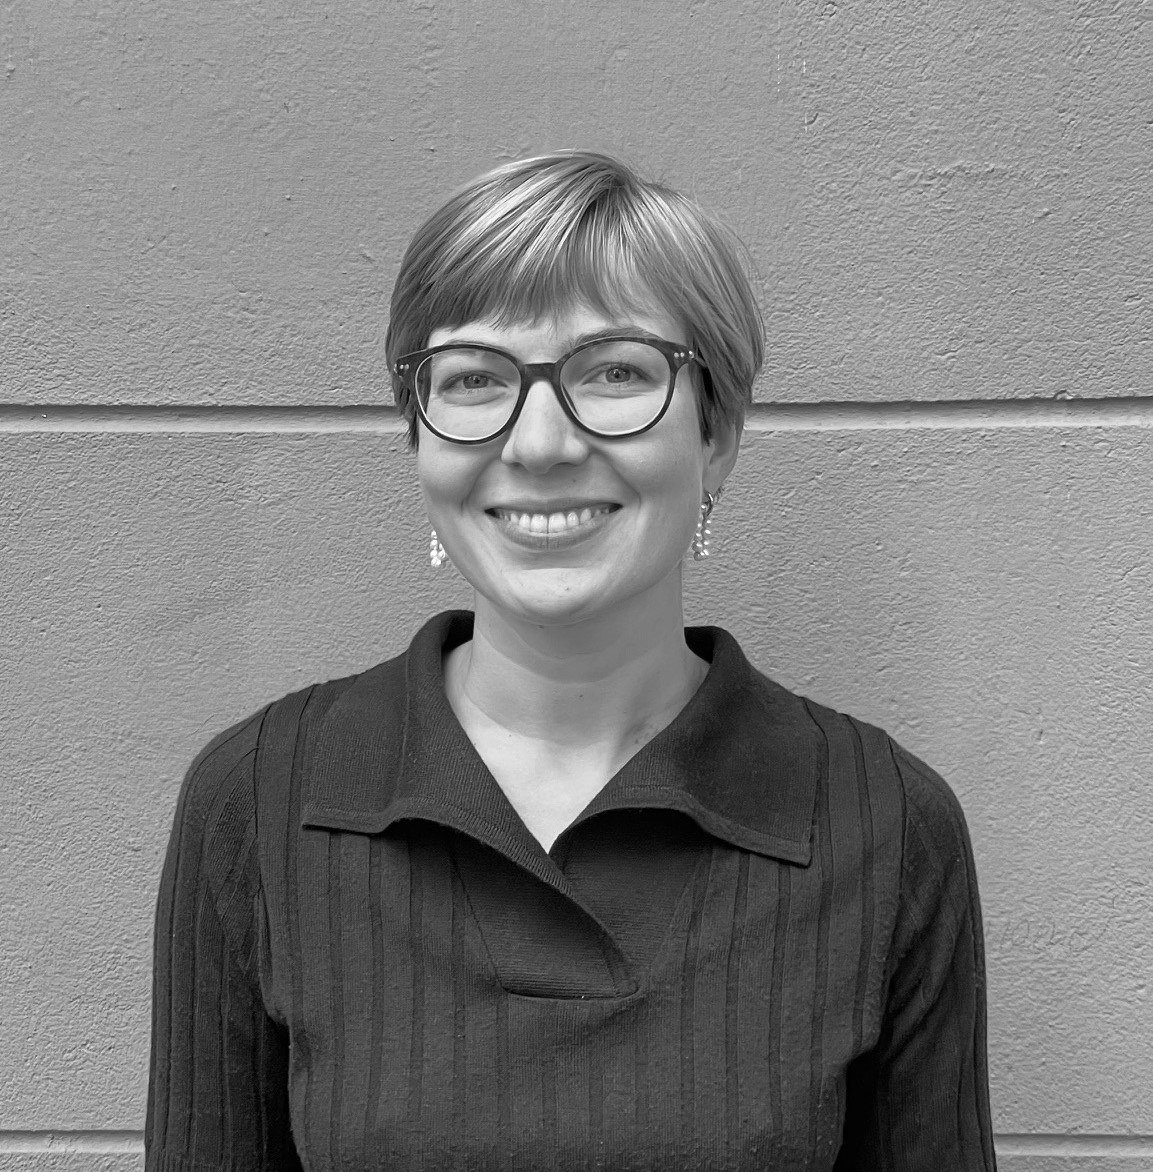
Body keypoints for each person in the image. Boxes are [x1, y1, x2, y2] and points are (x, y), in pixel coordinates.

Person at [146, 150, 996, 1170]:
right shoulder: (260, 801)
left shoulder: (883, 823)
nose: (540, 442)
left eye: (615, 371)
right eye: (474, 378)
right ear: (417, 436)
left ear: (717, 432)